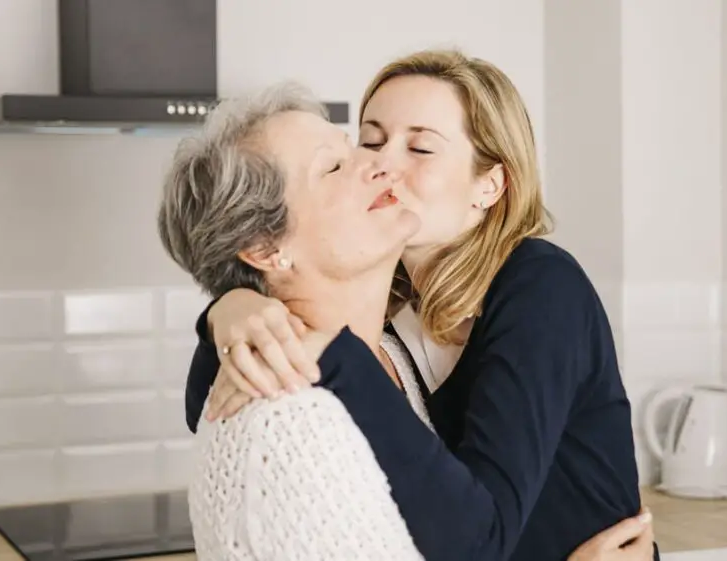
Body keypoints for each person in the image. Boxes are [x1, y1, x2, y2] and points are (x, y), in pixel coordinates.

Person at [185, 50, 657, 561]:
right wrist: (228, 309)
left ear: (489, 185)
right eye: (370, 141)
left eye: (421, 149)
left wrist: (339, 357)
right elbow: (207, 403)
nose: (382, 164)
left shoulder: (541, 287)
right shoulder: (388, 307)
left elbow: (486, 535)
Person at [157, 83, 429, 560]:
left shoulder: (396, 353)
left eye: (354, 147)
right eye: (334, 167)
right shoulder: (287, 424)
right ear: (266, 249)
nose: (381, 162)